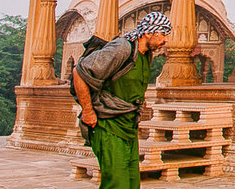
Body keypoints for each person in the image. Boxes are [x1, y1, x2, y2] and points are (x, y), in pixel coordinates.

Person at [72, 11, 172, 189]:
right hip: (108, 124)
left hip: (128, 126)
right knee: (117, 184)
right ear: (149, 32)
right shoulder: (122, 48)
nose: (165, 40)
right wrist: (87, 111)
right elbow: (79, 72)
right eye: (162, 34)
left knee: (132, 183)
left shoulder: (145, 54)